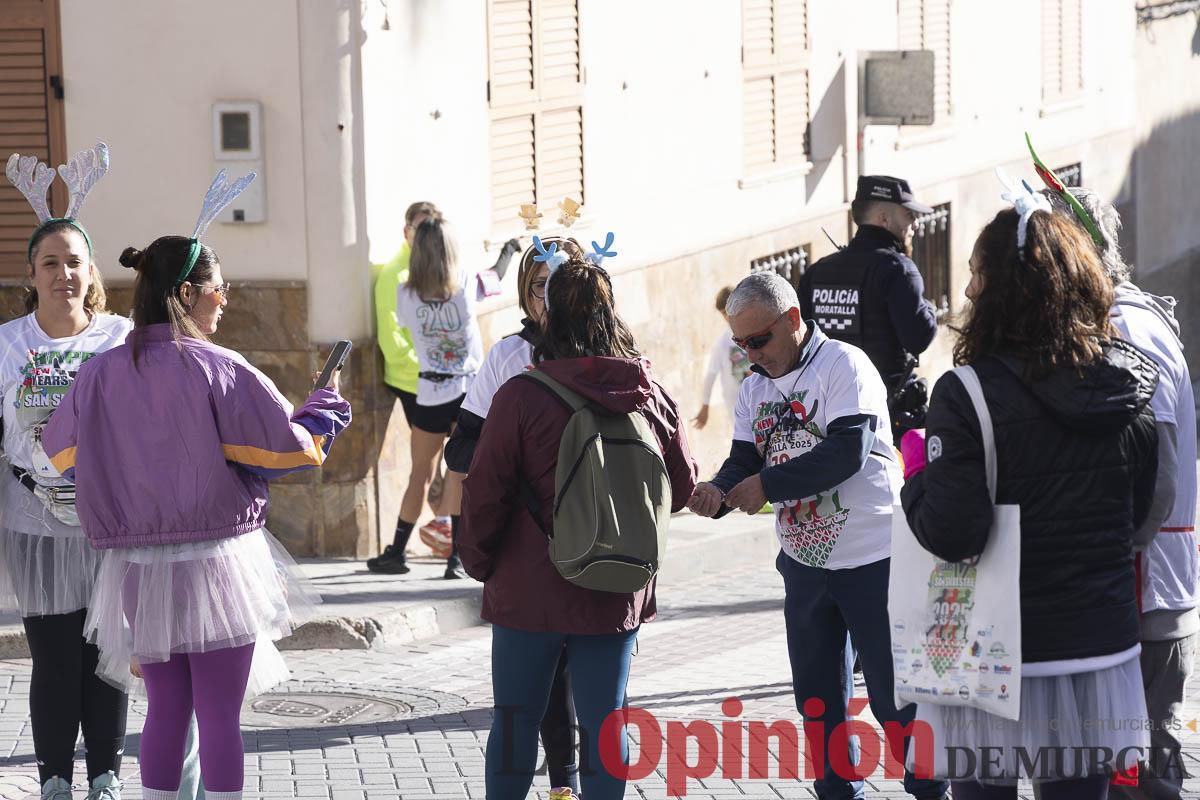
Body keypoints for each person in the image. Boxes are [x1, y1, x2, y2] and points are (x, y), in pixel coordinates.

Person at [41, 178, 350, 799]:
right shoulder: (221, 368)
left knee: (164, 713)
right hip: (217, 564)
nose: (223, 301)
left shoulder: (102, 372)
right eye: (217, 290)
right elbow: (286, 449)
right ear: (187, 293)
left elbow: (60, 451)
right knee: (218, 721)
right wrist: (325, 409)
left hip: (134, 569)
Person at [899, 202, 1162, 798]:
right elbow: (1145, 514)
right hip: (1096, 646)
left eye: (975, 273)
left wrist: (916, 475)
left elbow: (953, 532)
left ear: (1002, 292)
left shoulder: (964, 394)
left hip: (990, 645)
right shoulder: (1129, 381)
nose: (965, 288)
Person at [686, 271, 949, 800]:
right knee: (818, 699)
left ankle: (932, 789)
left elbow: (848, 451)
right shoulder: (754, 387)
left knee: (894, 699)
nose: (751, 354)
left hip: (874, 558)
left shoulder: (844, 364)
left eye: (759, 340)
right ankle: (837, 790)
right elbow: (744, 458)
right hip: (805, 564)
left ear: (792, 320)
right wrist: (717, 491)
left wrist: (767, 484)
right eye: (740, 344)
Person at [459, 254, 698, 800]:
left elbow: (484, 490)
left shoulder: (520, 395)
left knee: (516, 724)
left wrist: (479, 563)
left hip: (528, 591)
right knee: (606, 727)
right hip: (617, 588)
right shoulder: (648, 392)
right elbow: (681, 488)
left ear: (548, 318)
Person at [1048, 188, 1197, 800]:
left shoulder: (1128, 325)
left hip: (1145, 584)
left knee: (1142, 771)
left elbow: (1156, 467)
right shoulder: (1109, 320)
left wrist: (1121, 550)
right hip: (1129, 582)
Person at [0, 145, 129, 800]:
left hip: (110, 519)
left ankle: (105, 774)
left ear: (90, 270)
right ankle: (55, 779)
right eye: (50, 263)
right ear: (32, 272)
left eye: (73, 262)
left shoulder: (121, 339)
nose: (63, 274)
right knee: (54, 659)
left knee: (105, 654)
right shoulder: (7, 346)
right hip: (33, 521)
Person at [442, 235, 585, 797]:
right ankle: (550, 783)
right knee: (530, 682)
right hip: (526, 541)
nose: (550, 296)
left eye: (562, 283)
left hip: (595, 539)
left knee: (587, 678)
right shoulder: (508, 356)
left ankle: (569, 782)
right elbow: (462, 447)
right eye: (539, 285)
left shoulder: (615, 353)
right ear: (526, 294)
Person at [391, 217, 517, 579]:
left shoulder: (404, 292)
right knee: (459, 472)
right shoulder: (464, 282)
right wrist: (508, 250)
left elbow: (405, 322)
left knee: (420, 474)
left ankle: (397, 551)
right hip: (468, 392)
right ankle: (456, 560)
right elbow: (494, 279)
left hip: (430, 390)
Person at [800, 176, 938, 445]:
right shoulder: (897, 269)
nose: (914, 224)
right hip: (888, 419)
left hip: (829, 417)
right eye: (909, 215)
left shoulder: (816, 273)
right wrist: (928, 307)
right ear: (884, 218)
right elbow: (919, 337)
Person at [367, 200, 456, 572]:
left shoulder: (445, 271)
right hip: (417, 383)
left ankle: (452, 544)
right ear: (406, 232)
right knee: (426, 468)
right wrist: (434, 368)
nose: (427, 237)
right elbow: (394, 344)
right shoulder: (395, 277)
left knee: (460, 461)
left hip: (446, 381)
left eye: (432, 228)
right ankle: (405, 549)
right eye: (421, 229)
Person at [693, 285, 751, 432]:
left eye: (727, 311)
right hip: (738, 406)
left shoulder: (753, 330)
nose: (726, 317)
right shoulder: (723, 343)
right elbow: (711, 374)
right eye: (723, 313)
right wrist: (705, 405)